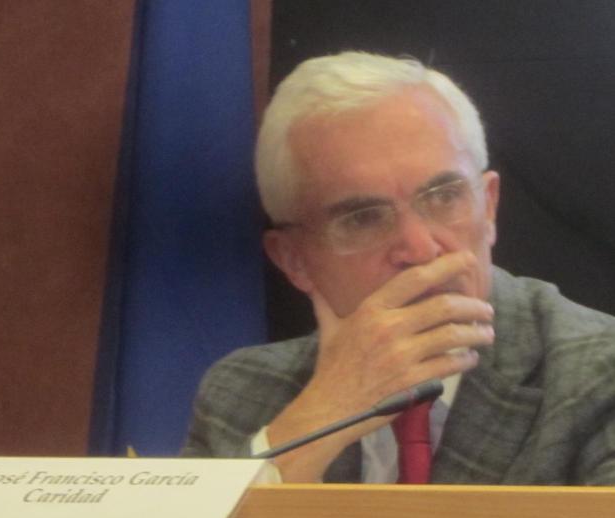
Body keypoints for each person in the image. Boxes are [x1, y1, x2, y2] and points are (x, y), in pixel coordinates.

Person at [181, 51, 615, 485]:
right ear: (295, 259)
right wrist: (324, 411)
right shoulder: (241, 393)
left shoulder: (600, 374)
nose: (420, 249)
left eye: (444, 197)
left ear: (489, 208)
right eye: (364, 218)